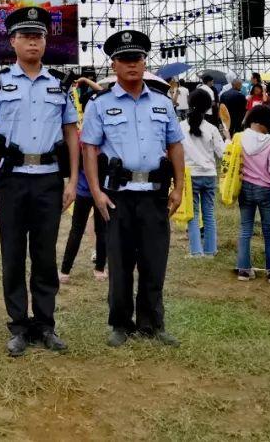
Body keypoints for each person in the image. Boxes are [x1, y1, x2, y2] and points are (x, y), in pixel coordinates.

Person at [0, 6, 80, 357]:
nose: (32, 42)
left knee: (45, 254)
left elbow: (71, 134)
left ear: (46, 41)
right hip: (11, 180)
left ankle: (46, 324)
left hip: (49, 180)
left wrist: (73, 181)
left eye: (38, 36)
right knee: (12, 254)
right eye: (26, 36)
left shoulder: (60, 85)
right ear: (13, 41)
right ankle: (19, 326)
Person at [81, 29, 185, 347]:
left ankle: (153, 322)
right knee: (121, 262)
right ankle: (121, 324)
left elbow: (176, 145)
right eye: (125, 59)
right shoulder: (100, 104)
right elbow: (89, 149)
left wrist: (179, 188)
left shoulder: (162, 103)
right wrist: (96, 193)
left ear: (144, 62)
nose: (132, 65)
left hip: (154, 194)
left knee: (155, 261)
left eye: (138, 59)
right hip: (118, 196)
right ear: (114, 65)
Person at [60, 74, 107, 284]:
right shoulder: (89, 135)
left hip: (92, 190)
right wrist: (87, 83)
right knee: (92, 230)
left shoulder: (86, 134)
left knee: (83, 229)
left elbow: (103, 94)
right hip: (91, 190)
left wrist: (86, 82)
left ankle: (68, 271)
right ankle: (89, 270)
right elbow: (105, 93)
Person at [235, 105, 270, 282]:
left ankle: (244, 269)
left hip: (245, 187)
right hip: (266, 188)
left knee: (245, 228)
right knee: (268, 229)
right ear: (265, 123)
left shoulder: (238, 137)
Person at [181, 88, 225, 258]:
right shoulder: (212, 129)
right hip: (209, 175)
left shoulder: (181, 127)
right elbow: (222, 153)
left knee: (192, 215)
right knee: (209, 213)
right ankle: (210, 250)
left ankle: (196, 251)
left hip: (190, 175)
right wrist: (227, 138)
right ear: (208, 107)